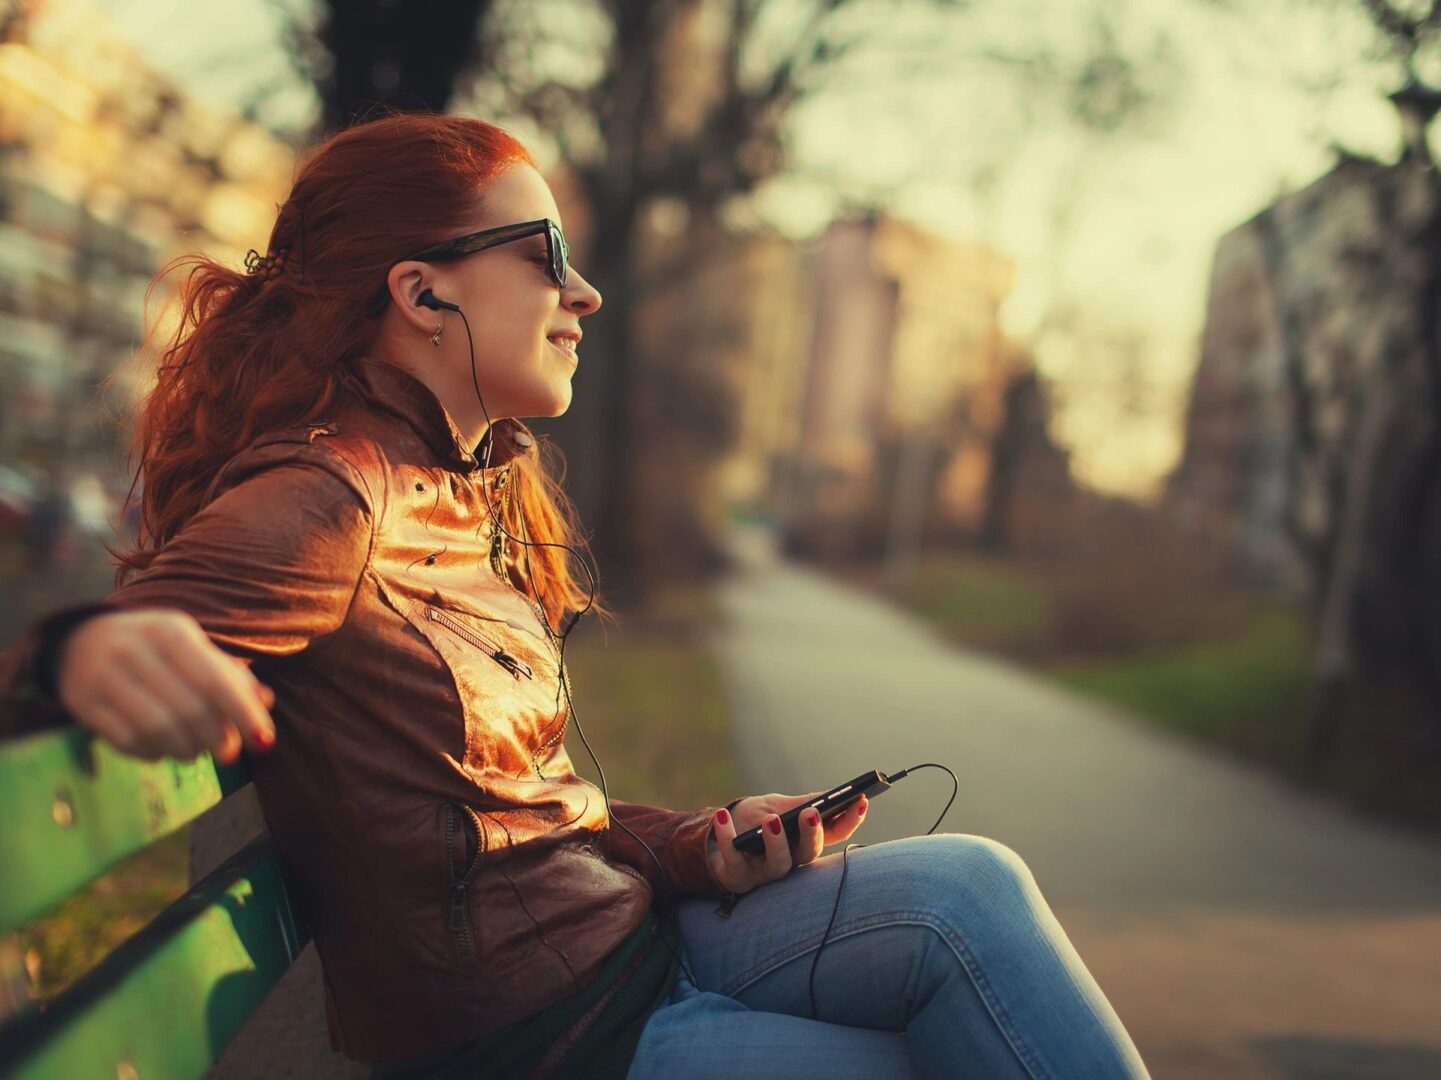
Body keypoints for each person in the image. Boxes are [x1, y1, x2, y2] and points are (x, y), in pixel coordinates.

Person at [0, 114, 1150, 1079]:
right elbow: (128, 635)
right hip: (562, 1039)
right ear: (420, 291)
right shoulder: (332, 496)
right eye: (544, 251)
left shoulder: (461, 488)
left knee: (973, 887)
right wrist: (81, 656)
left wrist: (700, 846)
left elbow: (507, 813)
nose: (582, 292)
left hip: (625, 950)